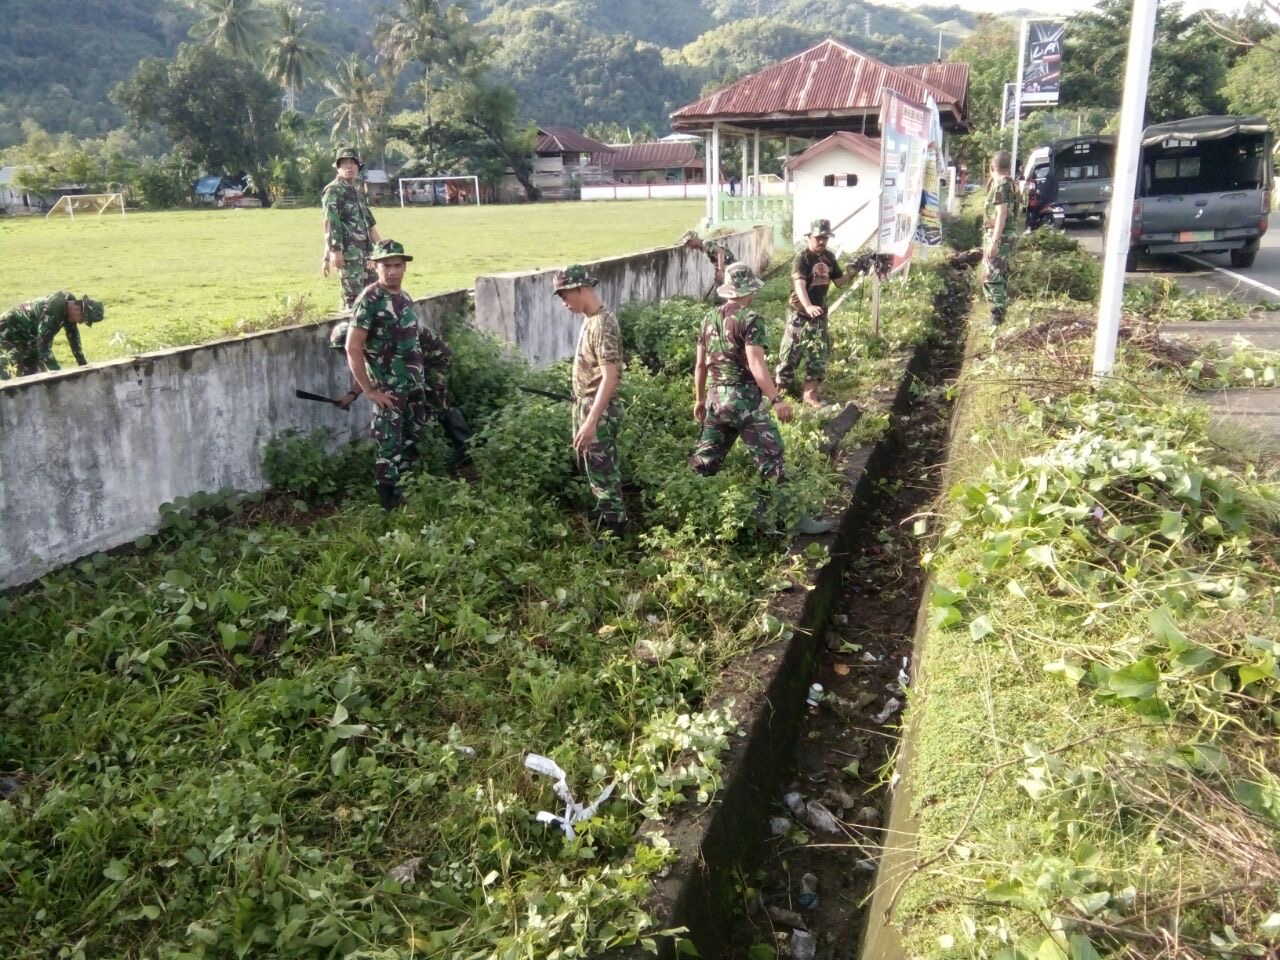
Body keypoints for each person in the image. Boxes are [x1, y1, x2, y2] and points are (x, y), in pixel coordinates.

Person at [690, 262, 833, 536]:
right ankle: (795, 518)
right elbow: (757, 365)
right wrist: (777, 399)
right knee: (772, 457)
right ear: (750, 290)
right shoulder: (750, 319)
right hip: (743, 402)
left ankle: (693, 516)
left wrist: (698, 400)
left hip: (715, 400)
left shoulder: (708, 318)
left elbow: (700, 366)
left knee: (705, 459)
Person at [344, 239, 429, 510]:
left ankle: (406, 494)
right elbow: (353, 347)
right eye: (386, 266)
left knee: (411, 440)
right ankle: (387, 508)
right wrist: (368, 390)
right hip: (388, 391)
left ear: (404, 267)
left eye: (397, 265)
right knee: (389, 447)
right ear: (374, 266)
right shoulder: (369, 300)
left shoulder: (404, 298)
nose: (392, 271)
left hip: (413, 386)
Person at [327, 317, 470, 465]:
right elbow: (370, 372)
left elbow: (398, 376)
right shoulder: (366, 342)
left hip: (434, 358)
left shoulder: (382, 340)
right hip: (413, 360)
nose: (346, 356)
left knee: (435, 401)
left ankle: (465, 446)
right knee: (413, 405)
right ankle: (421, 451)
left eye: (343, 351)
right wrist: (352, 395)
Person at [553, 264, 626, 538]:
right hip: (586, 405)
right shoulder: (591, 319)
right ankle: (603, 508)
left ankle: (615, 528)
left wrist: (592, 421)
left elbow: (611, 376)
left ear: (581, 289)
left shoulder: (604, 324)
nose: (564, 303)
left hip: (599, 409)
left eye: (564, 295)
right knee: (592, 466)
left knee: (602, 469)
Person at [775, 218, 855, 409]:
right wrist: (808, 306)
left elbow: (839, 282)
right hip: (799, 314)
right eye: (818, 237)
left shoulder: (829, 257)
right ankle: (779, 394)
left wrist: (854, 271)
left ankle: (810, 395)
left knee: (818, 354)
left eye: (825, 238)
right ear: (809, 237)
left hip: (819, 315)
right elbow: (799, 285)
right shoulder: (802, 258)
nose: (821, 242)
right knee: (790, 353)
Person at [322, 146, 382, 311]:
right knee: (353, 300)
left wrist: (383, 250)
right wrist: (334, 252)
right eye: (344, 164)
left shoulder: (357, 192)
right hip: (349, 255)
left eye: (352, 163)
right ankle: (347, 335)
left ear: (358, 167)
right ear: (338, 168)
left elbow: (370, 225)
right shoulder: (333, 191)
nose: (349, 167)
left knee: (373, 295)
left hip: (368, 255)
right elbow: (330, 223)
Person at [0, 292, 104, 380]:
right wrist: (59, 374)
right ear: (77, 310)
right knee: (10, 360)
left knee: (37, 375)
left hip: (29, 335)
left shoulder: (69, 306)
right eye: (82, 320)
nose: (80, 323)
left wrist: (83, 364)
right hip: (9, 329)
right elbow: (44, 347)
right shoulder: (53, 312)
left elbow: (73, 336)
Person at [982, 151, 1020, 327]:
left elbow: (1002, 213)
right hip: (1005, 235)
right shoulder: (1011, 184)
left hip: (1001, 237)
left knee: (993, 277)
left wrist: (995, 242)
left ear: (992, 167)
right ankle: (998, 316)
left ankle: (997, 319)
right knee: (999, 276)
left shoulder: (1001, 186)